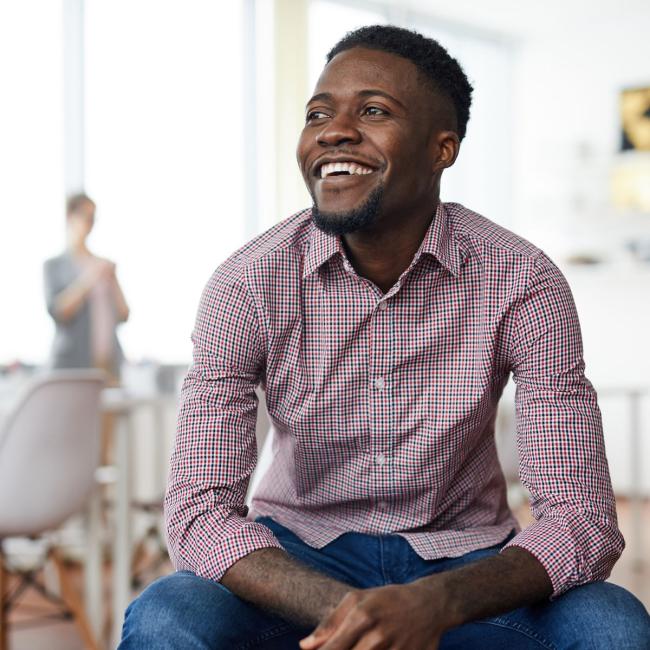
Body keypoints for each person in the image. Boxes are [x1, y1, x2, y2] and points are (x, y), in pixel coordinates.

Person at [120, 26, 650, 649]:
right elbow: (199, 514)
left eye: (373, 111)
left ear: (442, 148)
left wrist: (434, 604)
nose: (334, 131)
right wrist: (358, 611)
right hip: (296, 565)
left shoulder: (522, 280)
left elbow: (582, 519)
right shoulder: (248, 283)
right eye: (319, 113)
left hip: (466, 567)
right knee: (167, 614)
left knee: (611, 622)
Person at [44, 193, 129, 380]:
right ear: (70, 216)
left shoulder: (103, 265)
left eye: (93, 217)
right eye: (86, 216)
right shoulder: (55, 265)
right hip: (73, 365)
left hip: (108, 363)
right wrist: (89, 280)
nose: (90, 223)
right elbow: (59, 311)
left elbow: (124, 314)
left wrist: (113, 281)